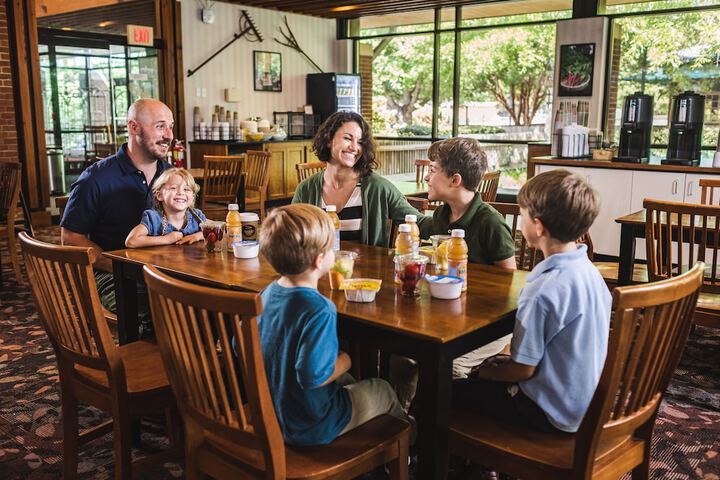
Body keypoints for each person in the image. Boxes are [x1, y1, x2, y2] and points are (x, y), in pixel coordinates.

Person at [453, 169, 612, 434]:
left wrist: (487, 374)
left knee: (447, 392)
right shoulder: (590, 273)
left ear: (538, 226)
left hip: (546, 413)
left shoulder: (543, 289)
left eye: (523, 214)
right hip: (584, 406)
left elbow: (523, 371)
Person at [257, 203, 411, 445]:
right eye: (331, 248)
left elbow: (240, 347)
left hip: (272, 413)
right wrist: (345, 359)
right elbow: (312, 377)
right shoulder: (319, 308)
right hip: (311, 424)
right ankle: (412, 450)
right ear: (320, 261)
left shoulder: (264, 295)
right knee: (382, 389)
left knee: (350, 381)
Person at [60, 98, 174, 337]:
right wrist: (120, 267)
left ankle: (200, 372)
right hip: (113, 274)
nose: (169, 135)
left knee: (218, 309)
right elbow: (70, 238)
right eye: (160, 126)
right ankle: (155, 372)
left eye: (171, 126)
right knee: (159, 322)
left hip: (167, 271)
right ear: (134, 127)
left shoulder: (171, 175)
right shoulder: (96, 178)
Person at [293, 111, 430, 247]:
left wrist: (451, 215)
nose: (354, 148)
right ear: (328, 140)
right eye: (348, 138)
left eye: (360, 142)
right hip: (320, 268)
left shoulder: (379, 187)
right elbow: (290, 233)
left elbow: (419, 223)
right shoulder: (306, 189)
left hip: (368, 269)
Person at [425, 137, 516, 269]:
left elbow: (510, 278)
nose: (426, 177)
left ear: (455, 180)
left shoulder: (491, 222)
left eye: (432, 170)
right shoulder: (441, 214)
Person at [125, 168, 206, 248]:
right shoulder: (154, 219)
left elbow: (215, 229)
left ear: (192, 196)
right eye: (173, 188)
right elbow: (131, 241)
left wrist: (197, 236)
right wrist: (166, 239)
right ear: (159, 195)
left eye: (186, 189)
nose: (181, 193)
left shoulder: (196, 216)